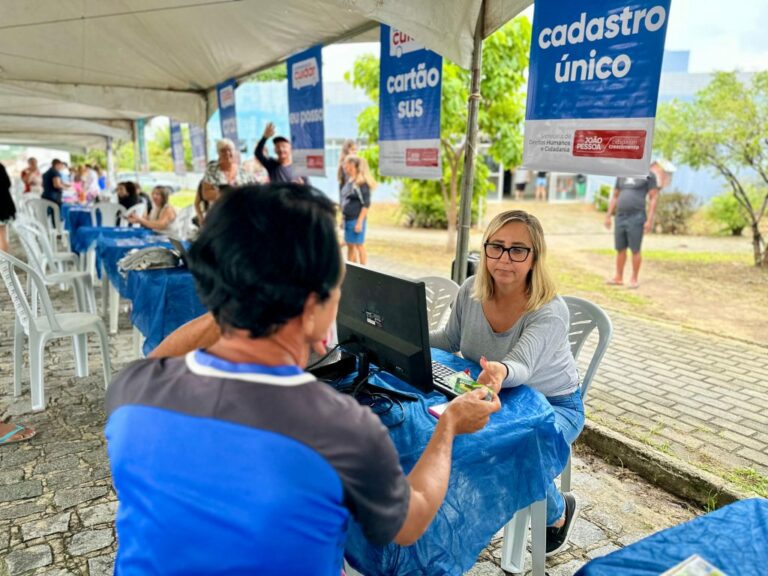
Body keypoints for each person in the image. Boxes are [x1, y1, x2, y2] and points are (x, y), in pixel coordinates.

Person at [105, 184, 500, 574]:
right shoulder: (339, 428)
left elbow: (160, 359)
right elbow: (409, 523)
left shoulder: (133, 390)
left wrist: (239, 298)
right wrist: (448, 427)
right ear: (314, 305)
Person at [429, 209, 583, 557]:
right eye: (495, 246)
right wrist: (404, 334)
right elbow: (448, 337)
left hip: (554, 405)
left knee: (515, 450)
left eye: (518, 250)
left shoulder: (549, 309)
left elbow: (522, 365)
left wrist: (500, 370)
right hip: (494, 394)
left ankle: (557, 514)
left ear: (535, 257)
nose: (504, 258)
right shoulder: (471, 290)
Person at [604, 169, 660, 289]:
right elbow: (615, 195)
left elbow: (653, 197)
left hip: (637, 216)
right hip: (620, 216)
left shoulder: (648, 175)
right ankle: (618, 277)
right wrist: (608, 215)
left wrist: (649, 220)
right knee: (620, 248)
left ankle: (634, 279)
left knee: (635, 249)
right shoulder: (622, 174)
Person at [341, 155, 374, 265]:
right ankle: (352, 268)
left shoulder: (362, 184)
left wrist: (359, 222)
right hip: (348, 219)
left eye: (348, 166)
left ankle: (364, 269)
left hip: (356, 219)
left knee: (359, 245)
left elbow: (366, 204)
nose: (346, 168)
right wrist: (343, 218)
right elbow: (346, 201)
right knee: (350, 245)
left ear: (354, 167)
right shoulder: (350, 182)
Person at [0, 161, 17, 253]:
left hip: (2, 207)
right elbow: (8, 184)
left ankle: (4, 262)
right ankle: (4, 262)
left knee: (2, 235)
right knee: (2, 235)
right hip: (3, 207)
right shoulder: (0, 167)